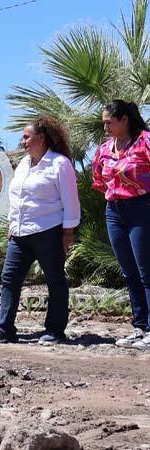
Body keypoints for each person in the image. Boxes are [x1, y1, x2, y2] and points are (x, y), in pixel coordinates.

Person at [0, 117, 80, 345]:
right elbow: (16, 198)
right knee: (9, 278)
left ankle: (55, 330)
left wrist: (68, 233)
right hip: (20, 233)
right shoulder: (24, 165)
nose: (23, 141)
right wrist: (12, 224)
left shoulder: (59, 163)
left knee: (54, 279)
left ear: (42, 138)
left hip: (48, 230)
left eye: (27, 137)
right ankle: (4, 329)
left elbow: (71, 200)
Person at [92, 100, 150, 349]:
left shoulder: (145, 141)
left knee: (146, 269)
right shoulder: (104, 149)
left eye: (109, 122)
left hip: (142, 208)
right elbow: (99, 179)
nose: (105, 127)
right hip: (114, 210)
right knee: (129, 271)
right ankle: (140, 327)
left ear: (125, 119)